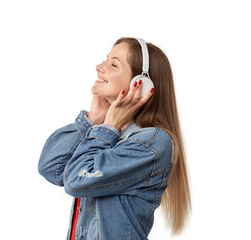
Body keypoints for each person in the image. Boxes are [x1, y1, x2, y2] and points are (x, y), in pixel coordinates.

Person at [38, 37, 191, 240]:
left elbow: (76, 181)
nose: (99, 67)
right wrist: (93, 121)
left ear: (141, 84)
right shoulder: (107, 135)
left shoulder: (151, 143)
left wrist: (107, 128)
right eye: (105, 60)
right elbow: (50, 167)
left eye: (113, 64)